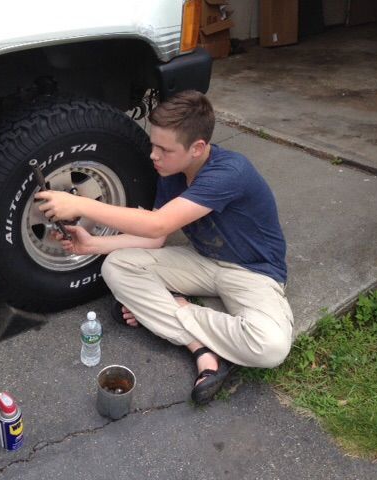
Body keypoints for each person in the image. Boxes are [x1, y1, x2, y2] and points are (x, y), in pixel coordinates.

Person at [35, 90, 293, 405]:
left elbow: (158, 225)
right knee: (116, 266)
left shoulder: (230, 172)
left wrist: (79, 204)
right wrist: (92, 245)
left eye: (164, 149)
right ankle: (199, 346)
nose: (153, 156)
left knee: (270, 346)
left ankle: (174, 310)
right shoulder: (172, 172)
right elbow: (155, 239)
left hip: (252, 272)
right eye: (153, 145)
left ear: (197, 148)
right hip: (203, 261)